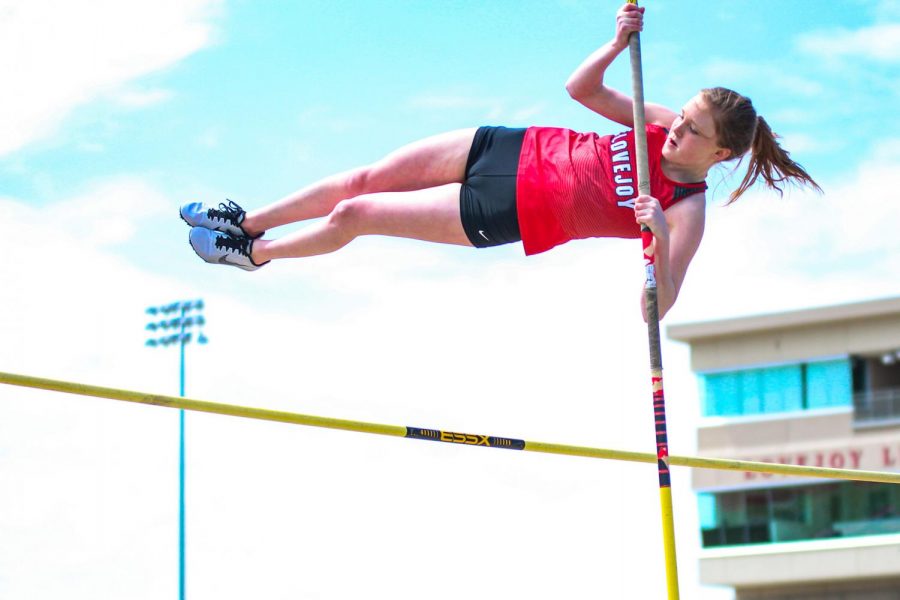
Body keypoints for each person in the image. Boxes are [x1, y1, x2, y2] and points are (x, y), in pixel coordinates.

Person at [181, 3, 820, 320]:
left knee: (358, 211)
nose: (674, 129)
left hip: (509, 209)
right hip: (511, 147)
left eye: (690, 130)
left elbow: (659, 304)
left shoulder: (687, 211)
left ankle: (253, 257)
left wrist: (653, 231)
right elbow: (581, 91)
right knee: (363, 177)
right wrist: (617, 42)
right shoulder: (658, 124)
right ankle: (247, 221)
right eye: (678, 117)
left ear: (722, 152)